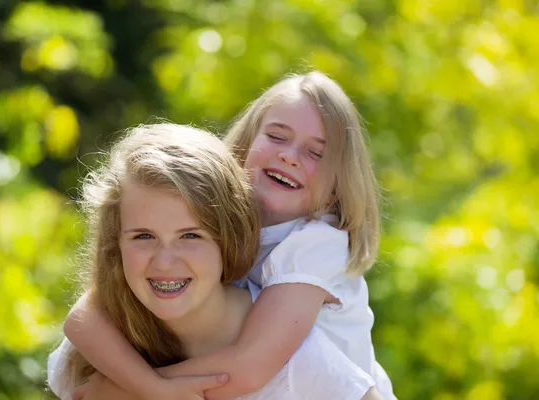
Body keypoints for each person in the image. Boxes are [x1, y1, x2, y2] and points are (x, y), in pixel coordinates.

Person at [53, 71, 397, 399]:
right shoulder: (212, 215)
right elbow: (85, 316)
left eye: (315, 153)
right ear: (246, 142)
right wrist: (147, 386)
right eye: (276, 136)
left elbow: (250, 366)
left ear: (339, 182)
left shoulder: (317, 242)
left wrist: (129, 390)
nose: (288, 156)